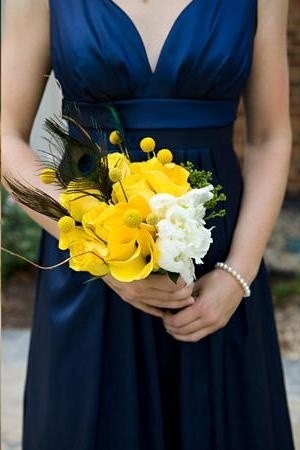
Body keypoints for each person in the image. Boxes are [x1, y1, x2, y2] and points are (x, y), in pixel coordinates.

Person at [2, 0, 295, 449]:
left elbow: (269, 137)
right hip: (91, 268)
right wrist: (99, 247)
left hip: (214, 271)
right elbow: (5, 136)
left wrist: (239, 275)